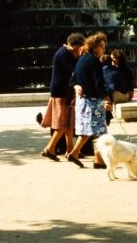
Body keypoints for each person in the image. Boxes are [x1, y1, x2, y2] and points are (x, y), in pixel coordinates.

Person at [66, 32, 112, 169]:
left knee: (89, 131)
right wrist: (106, 99)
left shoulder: (81, 59)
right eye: (101, 46)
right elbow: (98, 83)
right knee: (100, 132)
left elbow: (72, 79)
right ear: (94, 46)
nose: (103, 49)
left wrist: (76, 86)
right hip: (93, 101)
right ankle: (95, 159)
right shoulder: (94, 62)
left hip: (82, 101)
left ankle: (79, 154)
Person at [39, 32, 85, 161]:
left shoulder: (65, 52)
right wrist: (81, 57)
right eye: (80, 46)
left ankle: (70, 149)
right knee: (62, 123)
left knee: (69, 123)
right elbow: (74, 70)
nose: (81, 49)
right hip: (61, 92)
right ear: (75, 45)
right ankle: (49, 149)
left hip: (65, 91)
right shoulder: (65, 54)